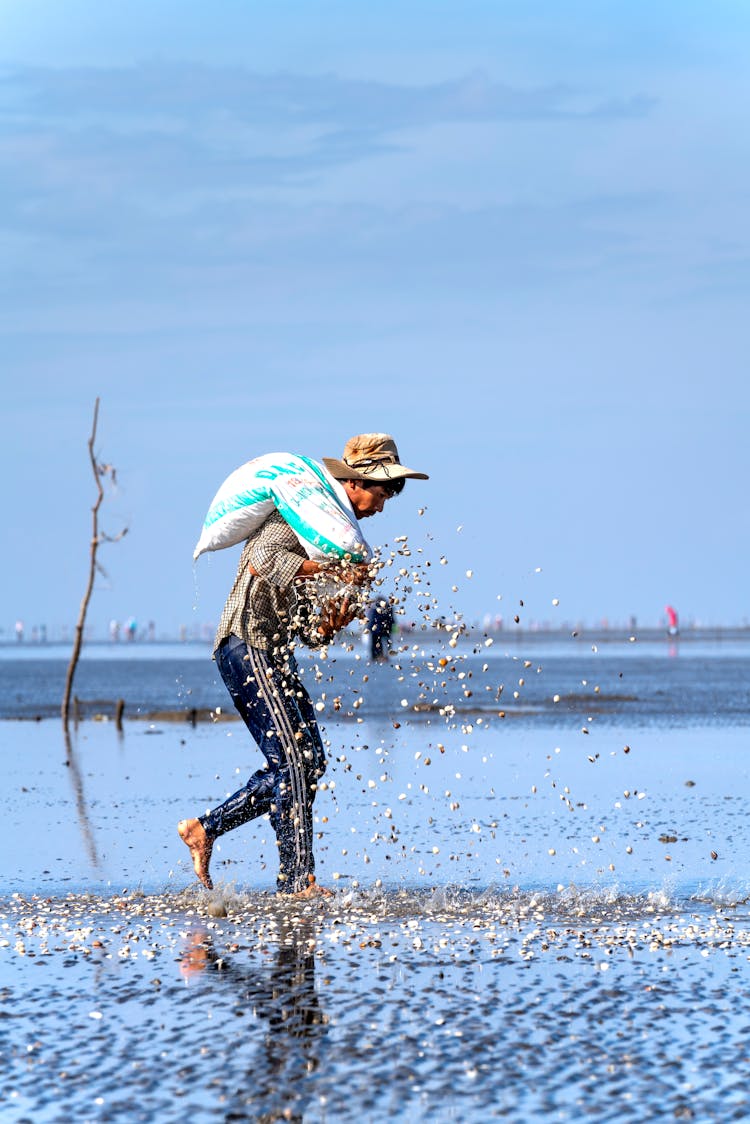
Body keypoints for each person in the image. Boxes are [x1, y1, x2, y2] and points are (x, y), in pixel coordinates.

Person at [178, 434, 428, 898]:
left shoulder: (330, 536)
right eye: (384, 491)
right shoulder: (295, 514)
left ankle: (206, 830)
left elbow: (308, 632)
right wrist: (332, 571)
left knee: (309, 761)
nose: (383, 506)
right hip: (244, 644)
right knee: (291, 762)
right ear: (355, 482)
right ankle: (297, 882)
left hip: (274, 651)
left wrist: (333, 621)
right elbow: (261, 559)